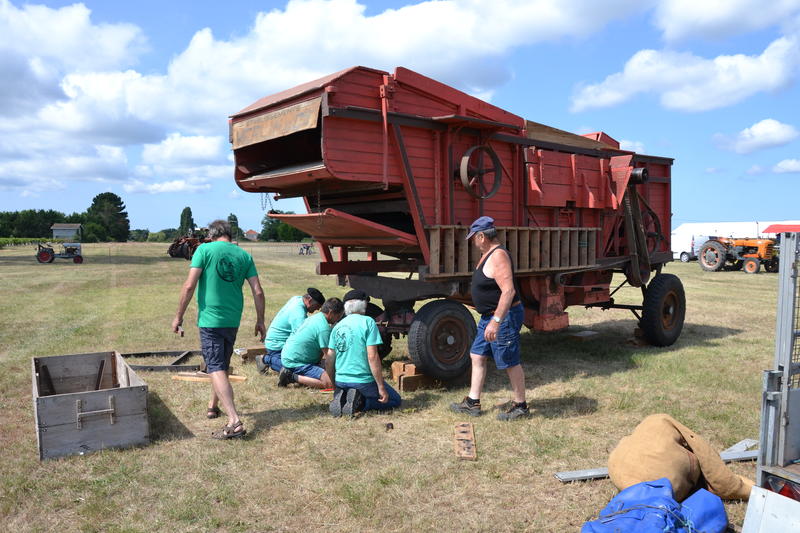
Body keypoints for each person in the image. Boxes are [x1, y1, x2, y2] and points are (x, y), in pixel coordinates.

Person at [172, 219, 265, 439]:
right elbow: (258, 292)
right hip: (232, 319)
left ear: (212, 235)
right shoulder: (244, 255)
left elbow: (189, 285)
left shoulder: (204, 250)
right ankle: (213, 406)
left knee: (214, 366)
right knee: (221, 364)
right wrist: (261, 320)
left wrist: (178, 316)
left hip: (210, 321)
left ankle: (234, 421)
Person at [450, 216, 529, 421]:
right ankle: (472, 402)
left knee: (509, 360)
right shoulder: (488, 254)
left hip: (503, 316)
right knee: (477, 355)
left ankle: (520, 405)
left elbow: (508, 291)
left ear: (482, 236)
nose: (473, 242)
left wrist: (496, 321)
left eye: (474, 238)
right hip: (489, 315)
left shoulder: (498, 255)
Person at [326, 290, 401, 417]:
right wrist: (381, 387)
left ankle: (343, 397)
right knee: (394, 400)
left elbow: (329, 360)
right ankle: (361, 402)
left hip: (341, 381)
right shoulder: (368, 322)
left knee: (348, 388)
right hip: (362, 381)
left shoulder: (337, 326)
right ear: (362, 305)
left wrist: (334, 384)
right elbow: (372, 356)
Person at [277, 297, 344, 389]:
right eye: (339, 316)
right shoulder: (323, 329)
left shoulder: (316, 318)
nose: (339, 319)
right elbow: (329, 358)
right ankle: (291, 376)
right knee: (331, 384)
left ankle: (294, 374)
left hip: (289, 356)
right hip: (297, 362)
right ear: (331, 313)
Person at [256, 288, 325, 373]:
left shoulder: (297, 299)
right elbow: (302, 339)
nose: (317, 309)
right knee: (295, 369)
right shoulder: (298, 313)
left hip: (274, 341)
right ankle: (265, 359)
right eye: (317, 306)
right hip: (277, 346)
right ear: (309, 300)